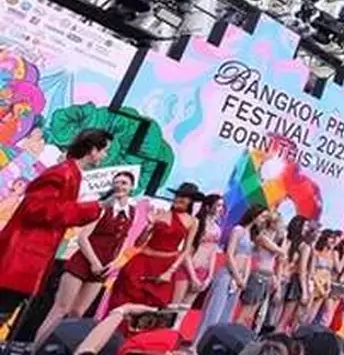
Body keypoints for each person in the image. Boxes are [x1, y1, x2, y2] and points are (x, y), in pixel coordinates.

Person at [0, 129, 108, 324]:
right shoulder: (62, 173)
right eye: (103, 150)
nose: (105, 155)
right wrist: (91, 208)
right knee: (4, 306)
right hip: (22, 253)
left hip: (30, 254)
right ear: (92, 150)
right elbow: (36, 208)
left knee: (7, 308)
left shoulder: (71, 173)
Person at [34, 168, 134, 345]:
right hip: (83, 262)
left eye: (124, 183)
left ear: (132, 187)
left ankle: (60, 348)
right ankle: (36, 347)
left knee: (78, 313)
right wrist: (94, 262)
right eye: (116, 182)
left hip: (102, 268)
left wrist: (113, 263)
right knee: (60, 309)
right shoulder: (103, 207)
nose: (119, 186)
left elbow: (122, 241)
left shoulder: (130, 212)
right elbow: (82, 237)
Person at [108, 181, 202, 309]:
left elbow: (185, 251)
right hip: (142, 262)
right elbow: (138, 243)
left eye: (184, 197)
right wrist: (149, 226)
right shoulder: (160, 213)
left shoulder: (193, 221)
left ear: (190, 201)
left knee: (150, 307)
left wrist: (170, 271)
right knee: (124, 301)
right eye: (178, 195)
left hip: (165, 266)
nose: (179, 199)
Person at [199, 204, 268, 337]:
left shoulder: (251, 235)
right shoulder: (238, 230)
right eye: (263, 216)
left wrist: (244, 279)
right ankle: (200, 343)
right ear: (255, 215)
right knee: (214, 311)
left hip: (239, 279)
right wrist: (237, 276)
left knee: (226, 313)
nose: (264, 220)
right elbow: (229, 254)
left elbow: (248, 258)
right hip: (228, 274)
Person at [235, 211, 285, 328]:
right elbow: (281, 251)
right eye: (279, 223)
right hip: (258, 275)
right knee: (246, 311)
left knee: (252, 314)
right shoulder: (263, 238)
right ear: (272, 223)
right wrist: (284, 237)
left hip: (267, 277)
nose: (280, 226)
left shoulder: (274, 239)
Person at [174, 193, 224, 306]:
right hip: (188, 268)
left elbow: (213, 253)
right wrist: (193, 276)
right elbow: (186, 250)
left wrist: (209, 276)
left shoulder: (217, 229)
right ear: (207, 207)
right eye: (218, 206)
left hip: (203, 271)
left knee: (184, 310)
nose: (220, 209)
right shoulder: (197, 223)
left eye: (222, 206)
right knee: (173, 308)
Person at [279, 216, 316, 332]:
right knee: (287, 319)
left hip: (287, 279)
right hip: (296, 282)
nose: (307, 228)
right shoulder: (304, 246)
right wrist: (305, 291)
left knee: (280, 316)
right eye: (305, 225)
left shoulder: (291, 242)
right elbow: (303, 270)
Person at [306, 229, 340, 324]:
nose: (332, 241)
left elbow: (330, 271)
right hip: (315, 282)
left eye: (333, 238)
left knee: (314, 312)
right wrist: (318, 286)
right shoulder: (315, 252)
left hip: (325, 283)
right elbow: (312, 271)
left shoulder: (331, 254)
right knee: (306, 309)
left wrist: (328, 287)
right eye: (331, 238)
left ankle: (307, 331)